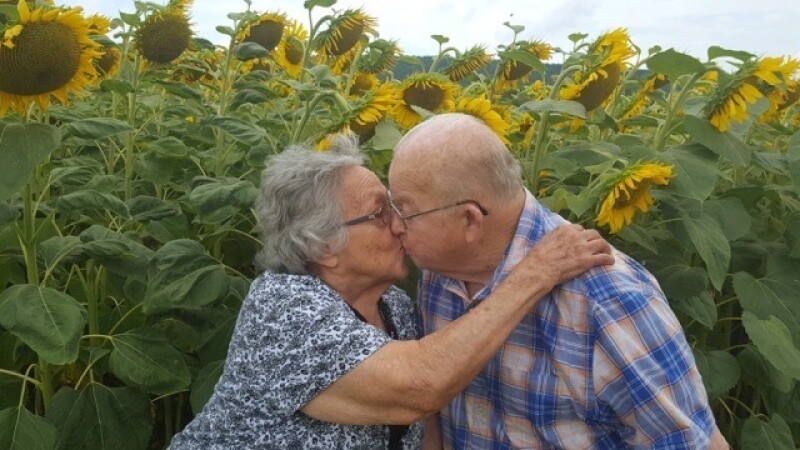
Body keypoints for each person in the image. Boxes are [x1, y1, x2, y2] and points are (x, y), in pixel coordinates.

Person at [169, 135, 614, 449]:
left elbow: (425, 427)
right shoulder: (283, 310)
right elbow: (421, 386)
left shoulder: (397, 306)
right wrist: (535, 272)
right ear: (324, 246)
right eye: (379, 214)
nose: (400, 224)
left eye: (398, 207)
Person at [387, 113, 729, 449]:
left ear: (470, 221)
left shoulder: (607, 299)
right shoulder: (438, 271)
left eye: (404, 210)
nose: (394, 225)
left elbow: (687, 442)